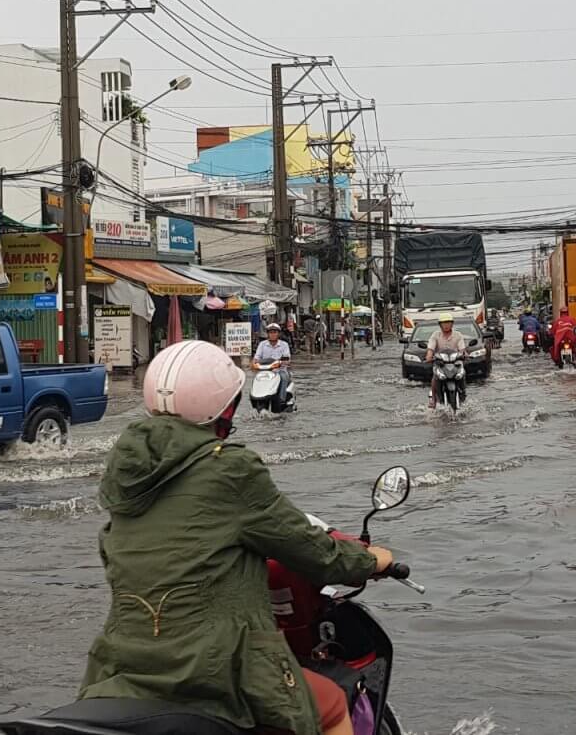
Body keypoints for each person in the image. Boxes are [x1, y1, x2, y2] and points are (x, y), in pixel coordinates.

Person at [78, 340, 392, 735]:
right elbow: (313, 551)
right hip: (212, 668)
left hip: (120, 664)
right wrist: (371, 560)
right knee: (329, 704)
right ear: (224, 411)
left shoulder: (126, 476)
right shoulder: (231, 469)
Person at [421, 312, 469, 409]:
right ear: (440, 325)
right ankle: (434, 399)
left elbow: (462, 350)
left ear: (452, 324)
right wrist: (429, 357)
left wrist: (465, 355)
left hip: (455, 363)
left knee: (463, 374)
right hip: (440, 363)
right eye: (444, 323)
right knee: (435, 377)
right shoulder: (435, 335)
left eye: (448, 323)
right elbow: (430, 349)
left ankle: (463, 394)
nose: (446, 325)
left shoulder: (458, 335)